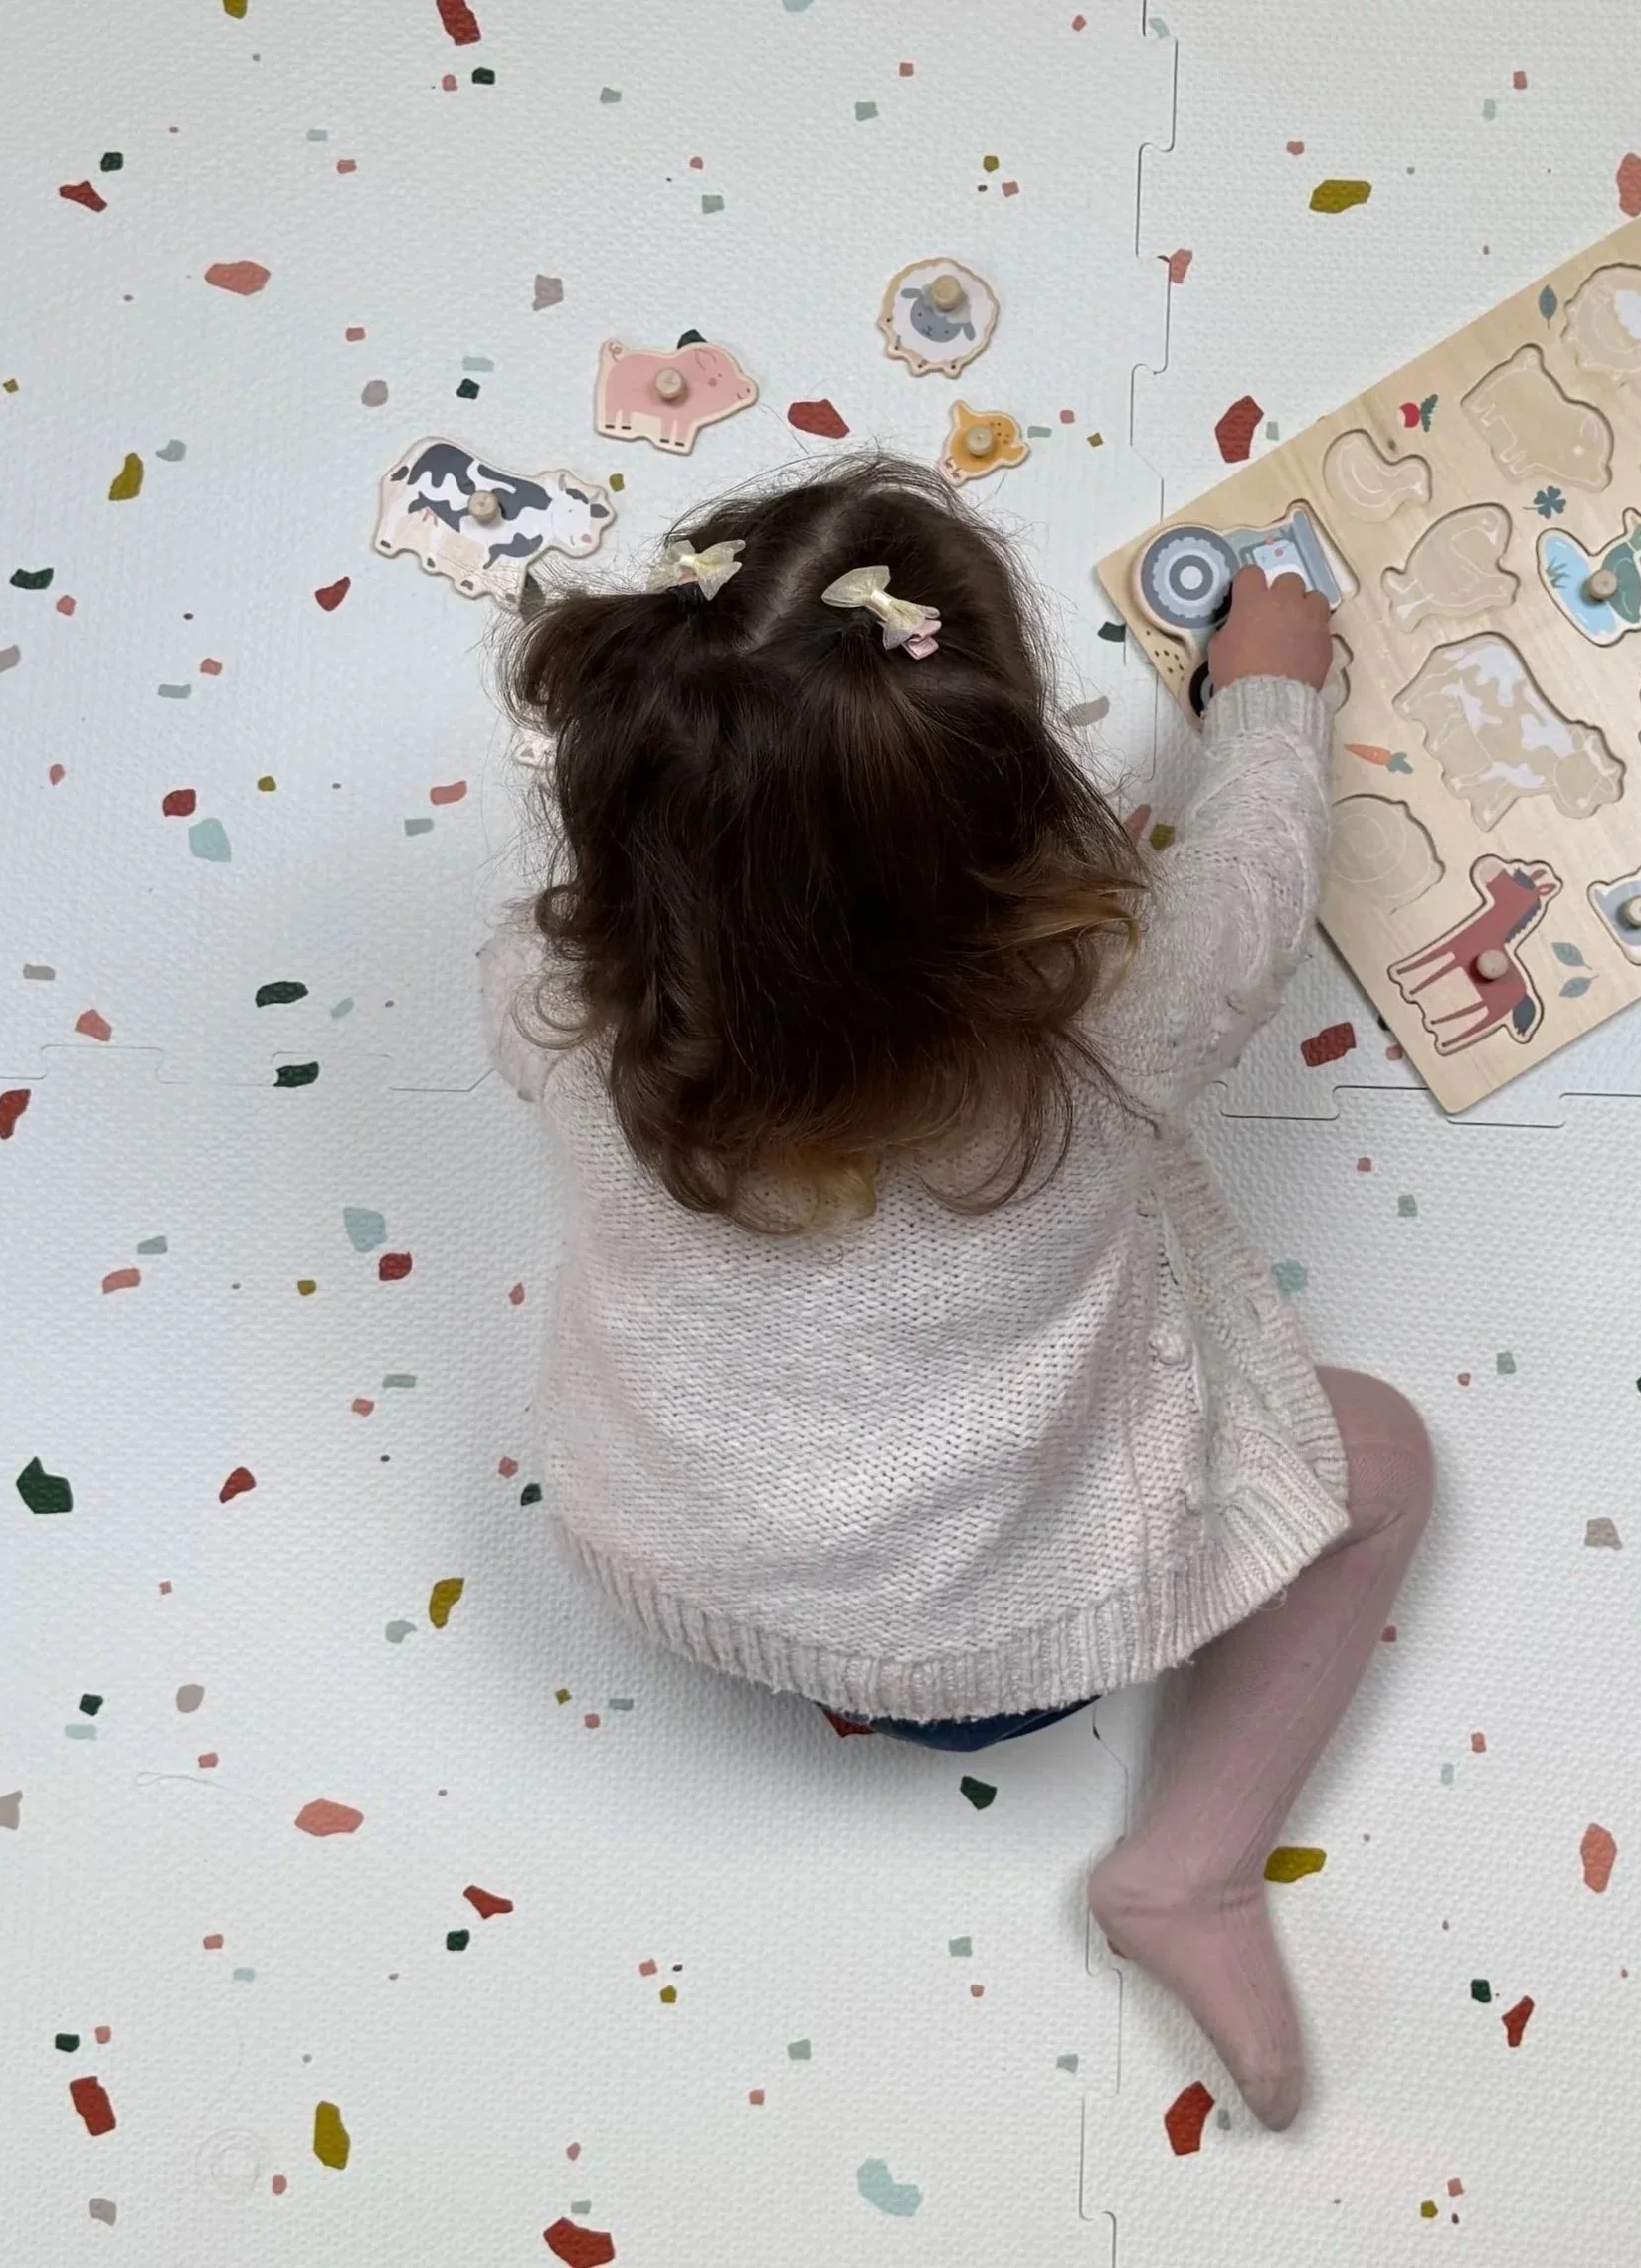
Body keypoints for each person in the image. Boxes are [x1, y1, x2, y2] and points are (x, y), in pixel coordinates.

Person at [480, 455, 1434, 2128]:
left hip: (669, 1572)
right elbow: (1259, 884)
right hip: (1002, 1656)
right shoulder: (1112, 1032)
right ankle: (1190, 1868)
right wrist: (1271, 691)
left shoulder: (553, 1007)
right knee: (1386, 1457)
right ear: (1010, 833)